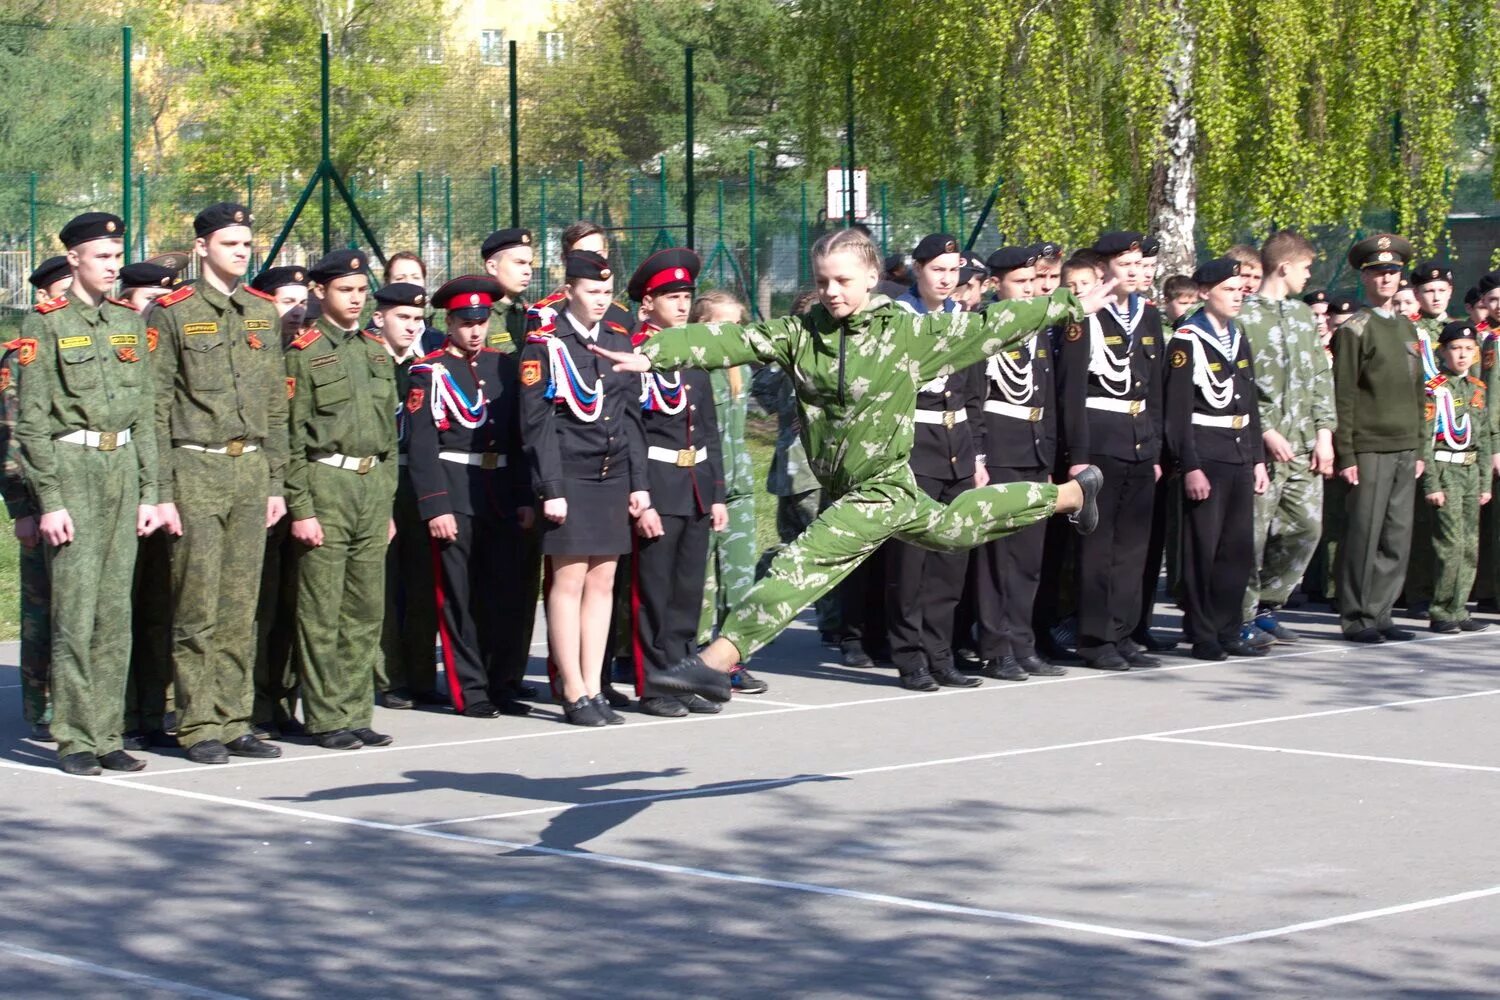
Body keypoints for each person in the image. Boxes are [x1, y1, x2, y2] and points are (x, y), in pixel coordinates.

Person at [591, 228, 1107, 703]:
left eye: (842, 280)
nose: (832, 291)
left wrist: (1065, 304)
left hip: (879, 486)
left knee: (804, 563)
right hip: (859, 486)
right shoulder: (801, 334)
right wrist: (655, 352)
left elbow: (993, 324)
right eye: (822, 282)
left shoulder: (906, 334)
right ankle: (1070, 495)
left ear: (870, 276)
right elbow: (733, 341)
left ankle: (716, 660)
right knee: (954, 528)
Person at [15, 212, 160, 774]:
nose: (112, 265)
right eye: (102, 256)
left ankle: (106, 732)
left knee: (114, 612)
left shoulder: (128, 321)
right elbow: (31, 424)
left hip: (121, 465)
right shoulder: (44, 324)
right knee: (76, 611)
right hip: (73, 466)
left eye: (116, 256)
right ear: (73, 258)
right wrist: (49, 500)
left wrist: (150, 490)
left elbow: (145, 413)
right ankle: (75, 737)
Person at [148, 203, 287, 765]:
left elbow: (276, 402)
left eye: (247, 243)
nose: (241, 251)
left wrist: (276, 480)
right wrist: (160, 490)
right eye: (230, 243)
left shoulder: (261, 310)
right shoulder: (172, 312)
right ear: (202, 246)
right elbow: (156, 405)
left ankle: (234, 718)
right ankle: (196, 720)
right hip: (196, 467)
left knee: (241, 603)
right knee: (197, 603)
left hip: (250, 468)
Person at [520, 250, 649, 727]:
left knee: (604, 581)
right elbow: (537, 424)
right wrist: (550, 487)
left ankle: (594, 686)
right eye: (591, 292)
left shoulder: (617, 338)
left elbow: (631, 417)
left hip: (611, 474)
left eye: (606, 293)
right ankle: (572, 687)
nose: (600, 301)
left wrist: (640, 484)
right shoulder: (546, 344)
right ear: (569, 289)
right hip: (569, 476)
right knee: (569, 579)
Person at [284, 248, 396, 749]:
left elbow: (390, 436)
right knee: (321, 609)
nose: (355, 299)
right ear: (320, 292)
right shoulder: (303, 352)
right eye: (344, 290)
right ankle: (326, 717)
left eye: (360, 291)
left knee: (366, 608)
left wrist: (388, 502)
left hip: (371, 486)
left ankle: (356, 710)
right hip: (326, 482)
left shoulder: (375, 351)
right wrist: (301, 509)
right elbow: (291, 437)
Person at [407, 276, 534, 717]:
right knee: (459, 598)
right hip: (456, 491)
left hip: (498, 492)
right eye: (466, 322)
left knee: (501, 594)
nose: (475, 330)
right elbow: (422, 446)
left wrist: (523, 496)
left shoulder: (503, 366)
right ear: (449, 321)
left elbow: (517, 439)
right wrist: (435, 504)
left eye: (481, 321)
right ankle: (471, 691)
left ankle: (501, 683)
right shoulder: (430, 371)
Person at [621, 251, 730, 717]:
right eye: (672, 297)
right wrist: (640, 498)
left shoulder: (693, 351)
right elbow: (631, 431)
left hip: (695, 484)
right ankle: (654, 685)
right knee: (655, 592)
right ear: (648, 304)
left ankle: (682, 678)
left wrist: (719, 493)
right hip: (659, 485)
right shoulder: (635, 353)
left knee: (687, 593)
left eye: (686, 296)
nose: (683, 305)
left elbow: (708, 427)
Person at [1057, 231, 1166, 672]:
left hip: (1138, 439)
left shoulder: (1147, 317)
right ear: (1103, 271)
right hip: (1100, 440)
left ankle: (1122, 633)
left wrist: (1155, 447)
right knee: (1099, 546)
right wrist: (1078, 454)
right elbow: (1072, 393)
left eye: (1140, 264)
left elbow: (1154, 388)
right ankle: (1095, 637)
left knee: (1133, 546)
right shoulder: (1084, 317)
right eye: (1126, 264)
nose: (1136, 272)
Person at [880, 234, 985, 691]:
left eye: (953, 270)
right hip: (913, 446)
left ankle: (940, 654)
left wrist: (977, 455)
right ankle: (909, 657)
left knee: (949, 559)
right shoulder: (896, 319)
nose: (946, 279)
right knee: (910, 563)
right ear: (918, 269)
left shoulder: (965, 320)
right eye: (937, 269)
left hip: (956, 446)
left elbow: (974, 394)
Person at [973, 244, 1083, 681]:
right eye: (1019, 283)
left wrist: (1052, 456)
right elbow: (976, 399)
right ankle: (996, 647)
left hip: (1035, 448)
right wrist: (979, 455)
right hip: (1000, 449)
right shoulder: (984, 328)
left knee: (1028, 558)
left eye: (1034, 281)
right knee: (997, 557)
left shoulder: (1037, 326)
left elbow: (1048, 400)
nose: (1030, 290)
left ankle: (1022, 641)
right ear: (995, 285)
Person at [1165, 258, 1270, 659]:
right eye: (1229, 288)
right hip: (1206, 453)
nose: (1239, 295)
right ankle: (1202, 630)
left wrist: (1257, 458)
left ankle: (1228, 627)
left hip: (1239, 451)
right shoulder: (1187, 339)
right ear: (1205, 292)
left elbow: (1249, 400)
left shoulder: (1237, 335)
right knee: (1202, 548)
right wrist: (1189, 464)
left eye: (1242, 288)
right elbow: (1177, 413)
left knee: (1236, 549)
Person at [1238, 231, 1335, 646]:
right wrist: (1265, 430)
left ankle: (1267, 604)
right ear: (1284, 267)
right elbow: (1237, 384)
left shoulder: (1300, 316)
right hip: (1262, 447)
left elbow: (1319, 376)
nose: (1308, 275)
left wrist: (1325, 434)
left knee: (1305, 529)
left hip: (1303, 445)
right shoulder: (1244, 315)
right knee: (1252, 535)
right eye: (1306, 267)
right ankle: (1239, 615)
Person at [1333, 234, 1426, 643]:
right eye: (1376, 272)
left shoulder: (1408, 326)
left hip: (1407, 444)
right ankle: (1356, 616)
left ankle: (1382, 611)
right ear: (1364, 277)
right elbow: (1344, 393)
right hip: (1369, 445)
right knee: (1363, 534)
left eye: (1391, 272)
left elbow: (1418, 388)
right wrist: (1346, 452)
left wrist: (1421, 445)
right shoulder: (1356, 328)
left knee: (1396, 534)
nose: (1385, 279)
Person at [118, 258, 185, 753]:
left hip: (173, 494)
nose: (157, 310)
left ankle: (153, 712)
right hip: (123, 494)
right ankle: (118, 715)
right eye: (148, 301)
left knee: (162, 609)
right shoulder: (120, 346)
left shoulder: (168, 352)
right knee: (120, 609)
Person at [749, 292, 840, 646]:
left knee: (791, 543)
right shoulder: (811, 355)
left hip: (790, 463)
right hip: (809, 467)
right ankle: (834, 621)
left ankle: (757, 599)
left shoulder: (786, 356)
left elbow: (764, 393)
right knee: (822, 544)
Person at [478, 228, 545, 706]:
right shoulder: (482, 315)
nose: (528, 268)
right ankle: (486, 675)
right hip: (495, 458)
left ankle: (510, 673)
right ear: (492, 266)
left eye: (530, 261)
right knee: (494, 578)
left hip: (531, 455)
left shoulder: (532, 317)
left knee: (525, 578)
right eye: (518, 261)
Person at [371, 281, 445, 711]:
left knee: (421, 584)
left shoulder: (428, 367)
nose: (411, 327)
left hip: (418, 482)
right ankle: (388, 676)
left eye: (418, 320)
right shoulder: (368, 360)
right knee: (383, 585)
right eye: (403, 317)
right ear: (379, 318)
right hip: (380, 479)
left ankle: (420, 675)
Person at [246, 264, 310, 738]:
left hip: (304, 496)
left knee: (293, 606)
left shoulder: (308, 357)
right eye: (286, 301)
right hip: (260, 494)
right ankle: (252, 703)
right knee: (257, 607)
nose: (297, 311)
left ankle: (283, 699)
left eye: (301, 301)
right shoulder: (255, 357)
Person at [694, 290, 763, 694]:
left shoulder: (743, 368)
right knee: (704, 579)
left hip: (740, 484)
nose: (735, 334)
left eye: (739, 325)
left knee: (739, 574)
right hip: (706, 483)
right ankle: (701, 653)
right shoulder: (696, 369)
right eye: (725, 326)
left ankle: (732, 658)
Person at [1, 289, 51, 741]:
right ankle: (40, 705)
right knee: (42, 609)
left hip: (84, 489)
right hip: (38, 498)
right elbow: (11, 435)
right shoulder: (20, 356)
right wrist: (21, 508)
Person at [1421, 322, 1492, 633]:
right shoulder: (1435, 389)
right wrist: (1432, 483)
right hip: (1445, 469)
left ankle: (1459, 607)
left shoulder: (1478, 387)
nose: (1462, 355)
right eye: (1455, 348)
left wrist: (1486, 483)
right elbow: (1425, 439)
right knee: (1449, 544)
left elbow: (1485, 438)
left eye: (1467, 348)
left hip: (1471, 471)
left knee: (1469, 545)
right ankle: (1441, 609)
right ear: (1443, 351)